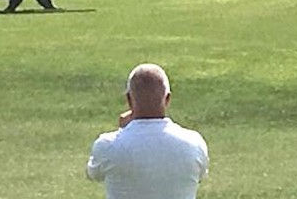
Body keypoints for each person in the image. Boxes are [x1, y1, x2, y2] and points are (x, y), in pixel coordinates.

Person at [86, 63, 209, 199]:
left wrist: (123, 130)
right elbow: (201, 175)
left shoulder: (107, 145)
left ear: (129, 99)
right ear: (167, 99)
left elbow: (93, 173)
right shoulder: (194, 143)